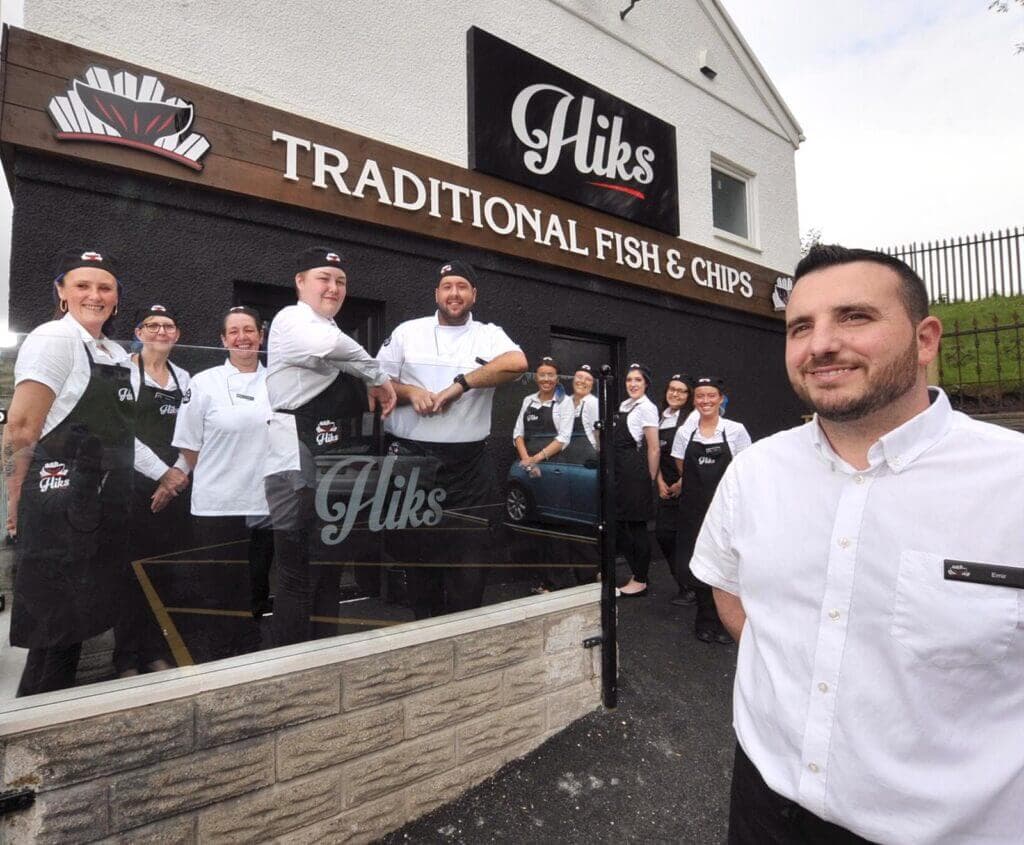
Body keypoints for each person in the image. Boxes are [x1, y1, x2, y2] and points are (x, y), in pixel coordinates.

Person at [692, 245, 1024, 844]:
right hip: (764, 805)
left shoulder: (1012, 483)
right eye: (800, 327)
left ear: (925, 340)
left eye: (854, 317)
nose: (819, 344)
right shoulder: (754, 472)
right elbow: (730, 588)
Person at [3, 249, 136, 696]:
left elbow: (123, 431)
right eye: (82, 285)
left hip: (94, 504)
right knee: (54, 630)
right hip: (57, 495)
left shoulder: (114, 352)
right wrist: (15, 496)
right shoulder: (53, 339)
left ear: (116, 299)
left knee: (72, 627)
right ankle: (33, 733)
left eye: (105, 287)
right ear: (61, 292)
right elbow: (20, 429)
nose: (94, 295)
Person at [377, 259, 527, 618]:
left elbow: (518, 362)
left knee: (470, 565)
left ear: (473, 294)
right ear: (436, 294)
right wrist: (411, 391)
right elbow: (375, 380)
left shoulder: (489, 335)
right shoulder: (407, 332)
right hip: (412, 461)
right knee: (419, 562)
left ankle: (464, 638)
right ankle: (427, 635)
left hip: (468, 467)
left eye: (462, 286)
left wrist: (460, 386)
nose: (454, 293)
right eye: (447, 287)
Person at [264, 247, 396, 647]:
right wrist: (378, 375)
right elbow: (334, 350)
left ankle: (325, 652)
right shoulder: (294, 320)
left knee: (330, 565)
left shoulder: (332, 329)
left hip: (332, 460)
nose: (333, 287)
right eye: (324, 278)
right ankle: (293, 661)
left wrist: (371, 376)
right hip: (295, 462)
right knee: (296, 570)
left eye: (340, 281)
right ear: (300, 283)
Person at [172, 305, 275, 657]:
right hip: (217, 504)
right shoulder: (204, 383)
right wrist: (221, 473)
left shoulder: (277, 382)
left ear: (261, 337)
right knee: (217, 588)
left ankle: (250, 654)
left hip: (264, 503)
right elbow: (189, 444)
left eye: (249, 330)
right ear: (222, 339)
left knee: (256, 586)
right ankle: (218, 660)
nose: (242, 337)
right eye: (234, 331)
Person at [114, 304, 192, 676]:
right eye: (153, 325)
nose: (161, 331)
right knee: (131, 575)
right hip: (134, 484)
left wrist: (176, 476)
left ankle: (155, 651)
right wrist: (162, 475)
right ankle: (126, 658)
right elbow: (120, 433)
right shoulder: (123, 371)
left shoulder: (185, 377)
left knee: (165, 573)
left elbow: (195, 433)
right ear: (139, 332)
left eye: (168, 325)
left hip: (175, 488)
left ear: (177, 335)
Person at [671, 375, 751, 642]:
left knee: (726, 564)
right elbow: (682, 466)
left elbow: (744, 469)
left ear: (720, 399)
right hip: (694, 510)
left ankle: (726, 621)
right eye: (700, 396)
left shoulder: (735, 430)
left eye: (710, 396)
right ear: (694, 401)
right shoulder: (686, 432)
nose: (705, 401)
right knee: (700, 564)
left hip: (726, 508)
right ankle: (704, 620)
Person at [614, 363, 660, 597]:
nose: (632, 384)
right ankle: (636, 573)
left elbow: (653, 448)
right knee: (621, 525)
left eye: (638, 380)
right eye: (629, 380)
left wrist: (649, 479)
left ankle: (641, 580)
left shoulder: (647, 408)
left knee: (637, 528)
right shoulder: (625, 406)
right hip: (620, 471)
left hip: (635, 472)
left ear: (646, 384)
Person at [653, 373, 695, 606]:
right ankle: (684, 584)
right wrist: (659, 482)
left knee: (688, 540)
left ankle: (693, 589)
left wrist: (682, 482)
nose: (675, 394)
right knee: (664, 535)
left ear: (688, 396)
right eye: (672, 389)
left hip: (688, 488)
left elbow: (694, 455)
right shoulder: (661, 418)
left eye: (681, 390)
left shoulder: (693, 418)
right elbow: (655, 454)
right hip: (666, 487)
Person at [512, 356, 573, 473]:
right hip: (526, 465)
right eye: (542, 375)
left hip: (554, 467)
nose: (546, 379)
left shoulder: (565, 401)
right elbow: (518, 433)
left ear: (557, 379)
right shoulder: (528, 400)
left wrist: (535, 459)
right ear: (536, 377)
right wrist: (527, 461)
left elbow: (563, 438)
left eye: (551, 375)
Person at [559, 363, 600, 464]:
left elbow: (598, 435)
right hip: (566, 460)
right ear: (573, 379)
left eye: (588, 379)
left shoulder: (593, 403)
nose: (582, 381)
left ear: (592, 384)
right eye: (579, 377)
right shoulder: (565, 402)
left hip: (587, 461)